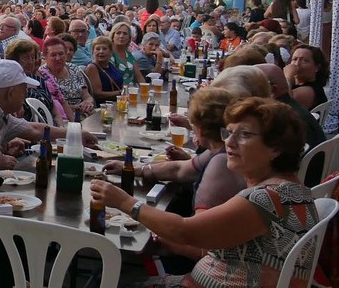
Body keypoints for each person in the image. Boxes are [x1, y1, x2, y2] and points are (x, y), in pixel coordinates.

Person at [91, 96, 319, 287]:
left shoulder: (264, 199)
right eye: (229, 132)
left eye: (245, 135)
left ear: (276, 148)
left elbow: (184, 231)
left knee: (114, 278)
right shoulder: (291, 189)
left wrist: (125, 202)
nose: (229, 142)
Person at [103, 87, 246, 262]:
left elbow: (200, 239)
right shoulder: (219, 152)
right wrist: (135, 168)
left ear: (199, 129)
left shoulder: (220, 165)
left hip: (204, 268)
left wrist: (126, 203)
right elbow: (178, 169)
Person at [41, 36, 94, 115]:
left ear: (66, 54)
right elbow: (52, 106)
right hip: (62, 117)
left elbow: (86, 95)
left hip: (84, 112)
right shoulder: (42, 74)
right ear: (45, 57)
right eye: (53, 55)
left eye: (61, 53)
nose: (58, 58)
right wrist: (77, 107)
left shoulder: (74, 68)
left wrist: (87, 102)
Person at [84, 36, 123, 104]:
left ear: (110, 52)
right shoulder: (92, 68)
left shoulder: (111, 65)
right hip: (104, 106)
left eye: (104, 49)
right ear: (93, 51)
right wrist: (121, 92)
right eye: (98, 49)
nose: (101, 52)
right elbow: (97, 94)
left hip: (119, 103)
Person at [110, 21, 144, 86]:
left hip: (132, 92)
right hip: (117, 92)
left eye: (125, 33)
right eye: (118, 33)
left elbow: (140, 78)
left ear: (129, 38)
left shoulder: (129, 55)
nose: (121, 36)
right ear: (113, 36)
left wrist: (145, 91)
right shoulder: (109, 55)